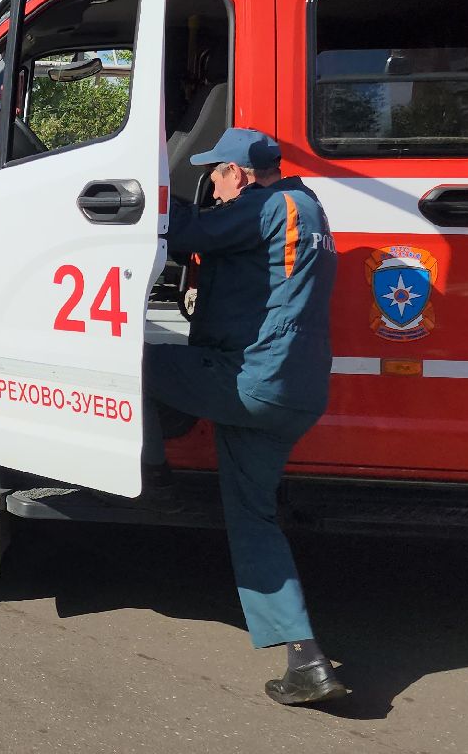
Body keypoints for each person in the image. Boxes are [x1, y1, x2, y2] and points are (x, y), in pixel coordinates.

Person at [142, 128, 344, 706]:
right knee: (253, 517)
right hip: (296, 392)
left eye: (215, 173)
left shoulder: (268, 204)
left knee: (128, 364)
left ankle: (149, 477)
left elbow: (183, 231)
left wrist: (143, 190)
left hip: (253, 381)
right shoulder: (312, 209)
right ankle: (307, 660)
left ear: (240, 173)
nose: (209, 183)